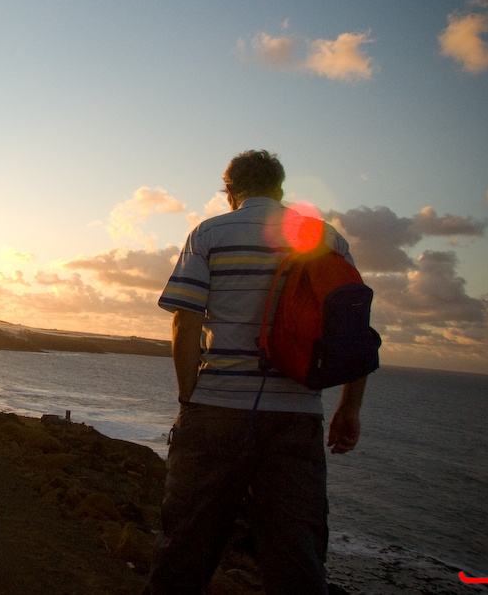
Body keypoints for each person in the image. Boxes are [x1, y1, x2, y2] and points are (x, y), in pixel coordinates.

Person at [145, 150, 367, 594]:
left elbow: (185, 321)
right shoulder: (327, 239)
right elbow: (352, 330)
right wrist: (350, 408)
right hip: (297, 413)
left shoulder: (210, 233)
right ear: (280, 188)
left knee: (186, 543)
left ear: (230, 191)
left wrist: (190, 398)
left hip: (216, 410)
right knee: (296, 554)